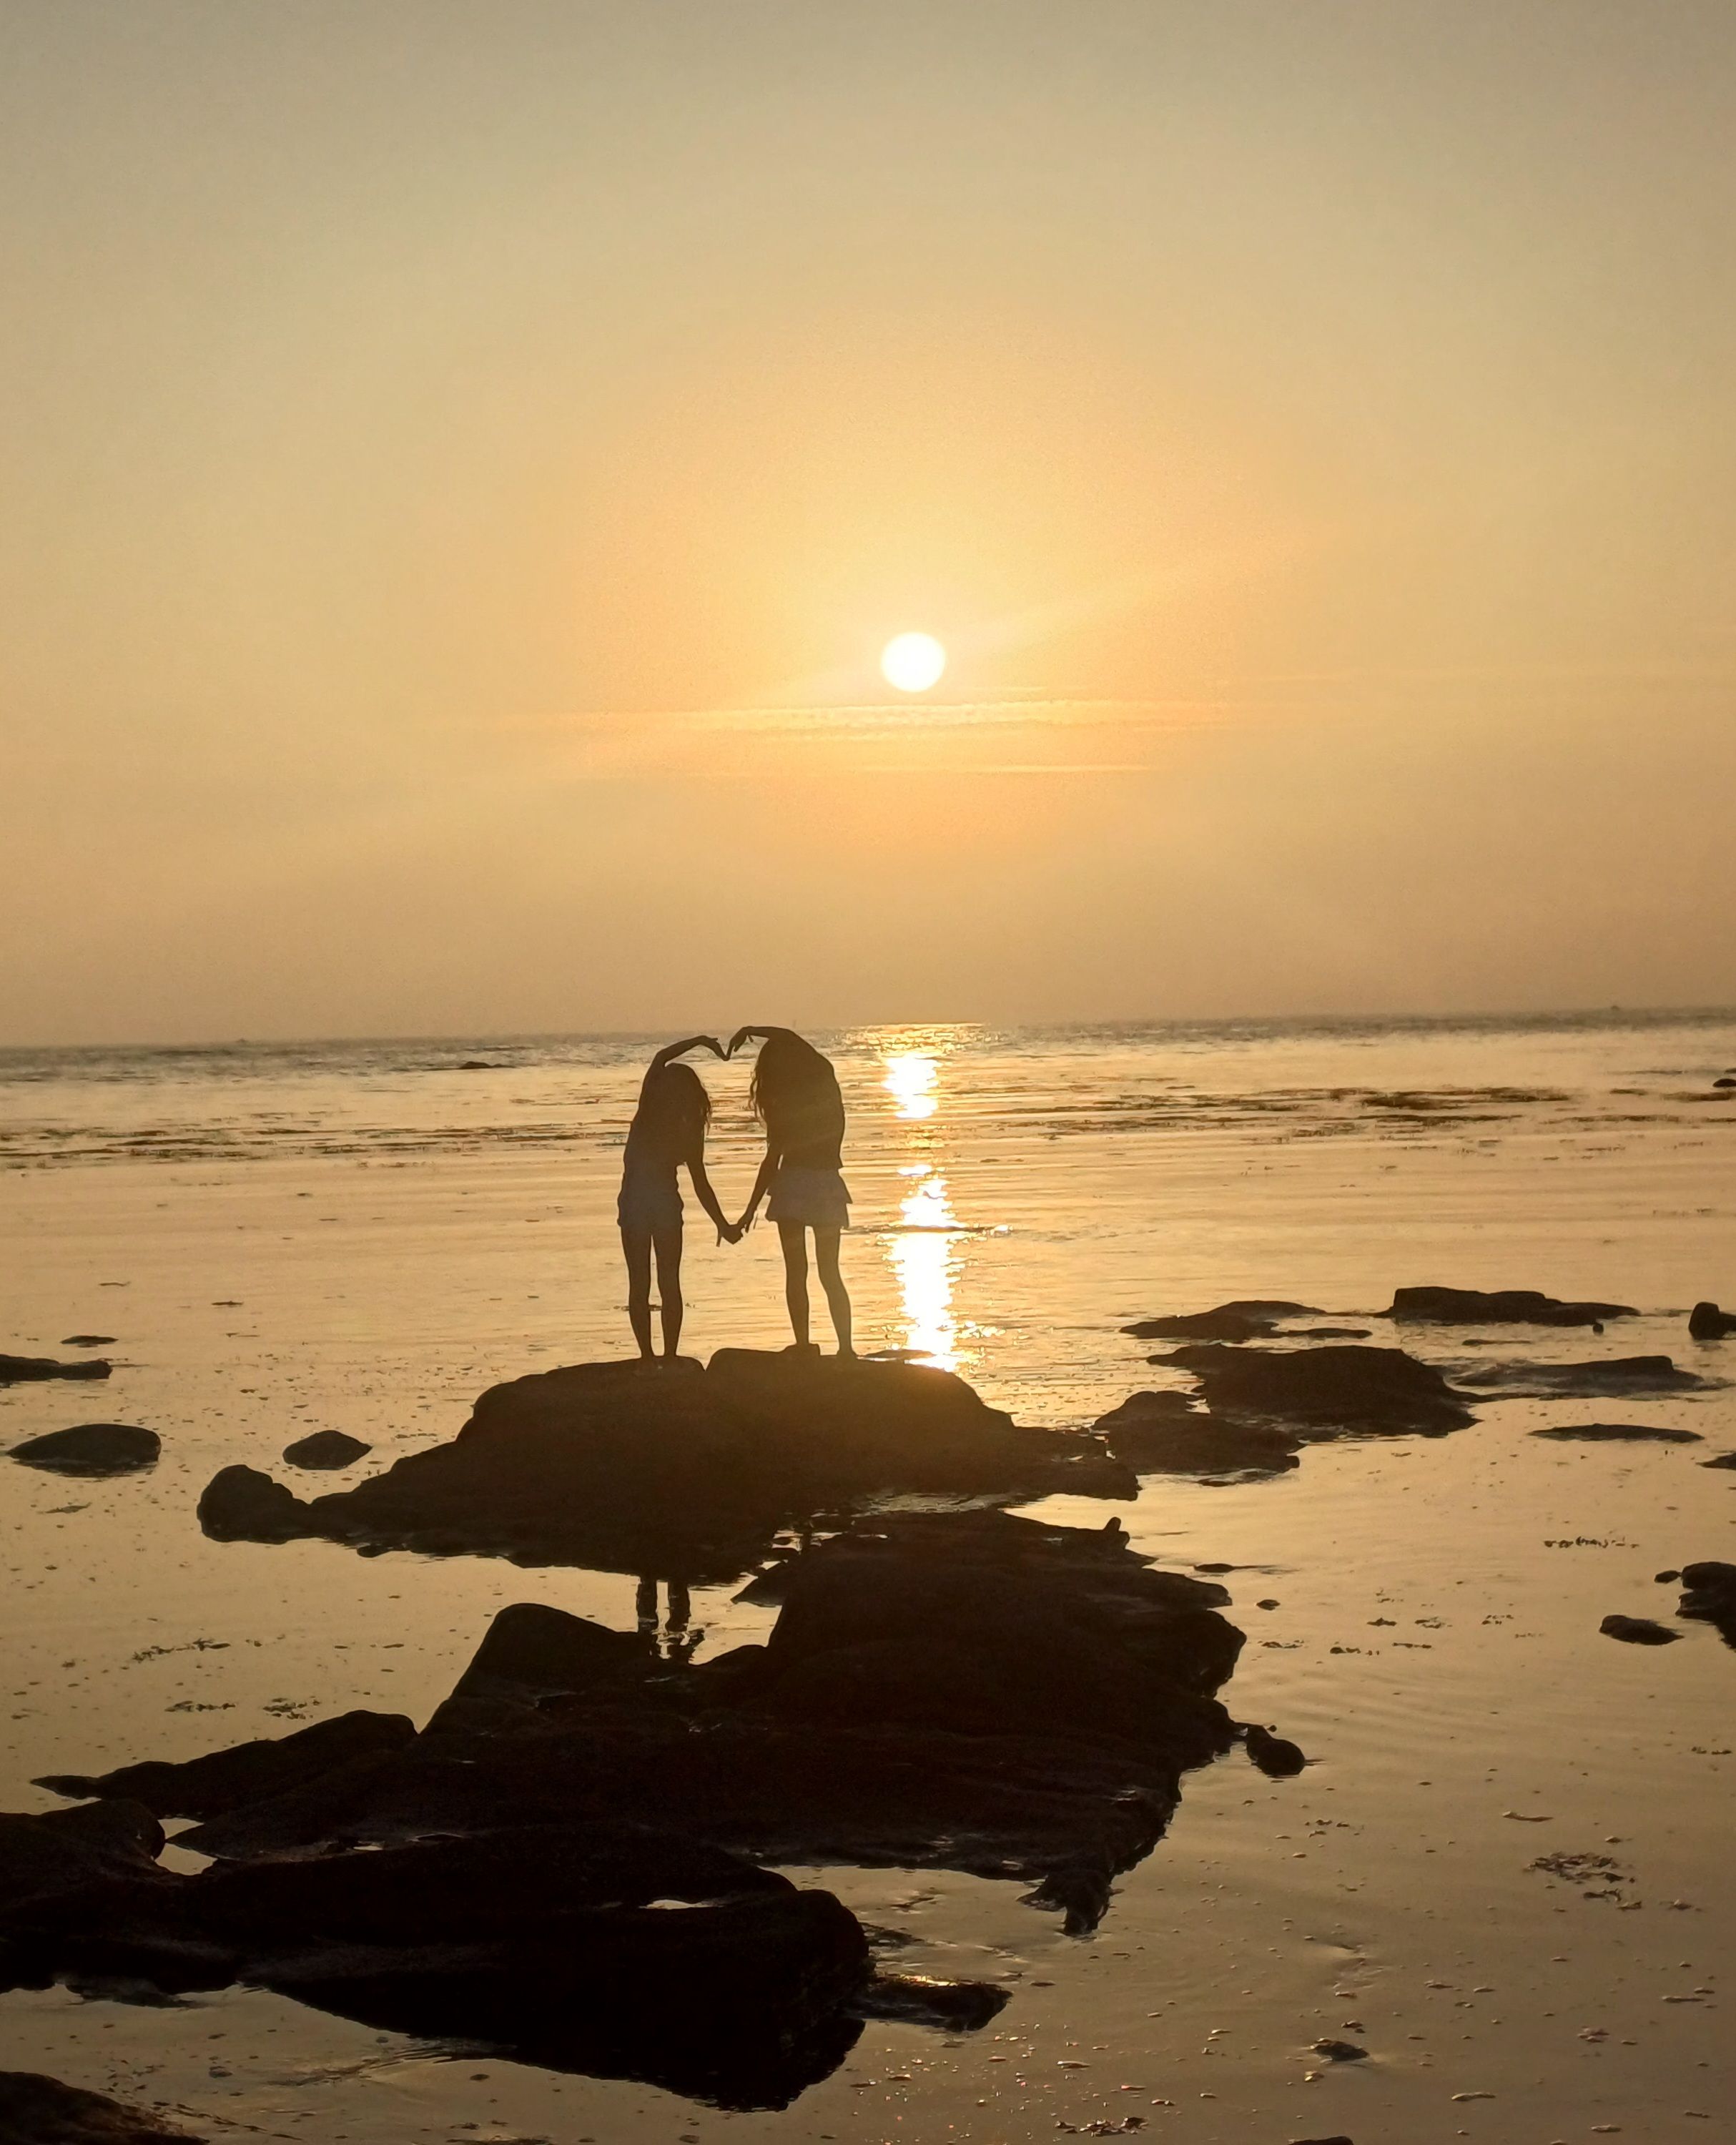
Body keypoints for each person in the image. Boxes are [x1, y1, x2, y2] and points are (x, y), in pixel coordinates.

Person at [730, 1025, 854, 1356]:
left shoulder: (784, 1104)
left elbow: (771, 1161)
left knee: (795, 1271)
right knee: (830, 1271)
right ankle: (845, 1348)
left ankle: (803, 1345)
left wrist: (748, 1211)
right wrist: (754, 1030)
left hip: (794, 1186)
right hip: (826, 1184)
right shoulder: (825, 1085)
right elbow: (791, 1038)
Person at [618, 1036, 738, 1364]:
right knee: (669, 1281)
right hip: (665, 1204)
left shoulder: (648, 1111)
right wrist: (723, 1224)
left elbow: (660, 1057)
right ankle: (669, 1356)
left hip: (635, 1202)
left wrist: (699, 1041)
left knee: (639, 1281)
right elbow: (700, 1182)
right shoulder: (686, 1127)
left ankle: (647, 1357)